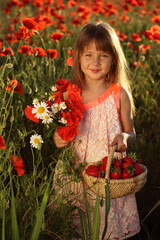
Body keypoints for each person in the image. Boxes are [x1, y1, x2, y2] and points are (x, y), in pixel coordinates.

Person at [53, 22, 140, 239]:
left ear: (113, 59)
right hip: (75, 171)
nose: (95, 62)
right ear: (78, 58)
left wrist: (125, 137)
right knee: (75, 222)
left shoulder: (118, 94)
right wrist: (58, 138)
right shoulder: (69, 95)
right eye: (88, 54)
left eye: (102, 55)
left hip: (107, 172)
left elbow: (131, 132)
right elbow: (63, 132)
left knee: (105, 222)